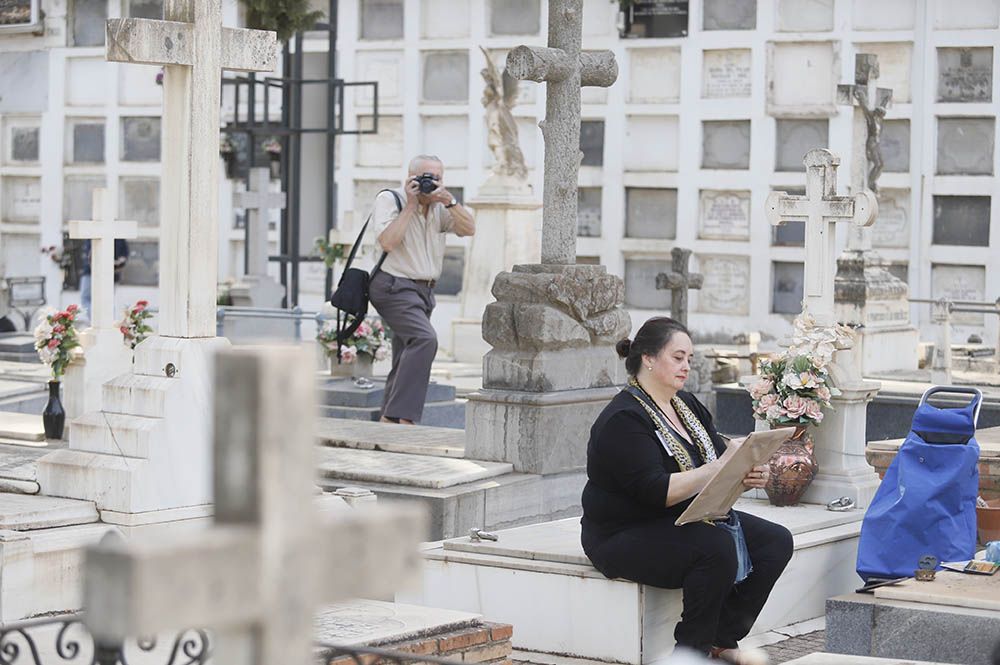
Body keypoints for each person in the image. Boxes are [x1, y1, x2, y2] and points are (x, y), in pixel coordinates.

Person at [581, 317, 793, 664]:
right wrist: (720, 466)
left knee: (775, 541)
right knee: (714, 547)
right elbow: (657, 491)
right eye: (678, 357)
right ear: (648, 358)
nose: (686, 366)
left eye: (689, 359)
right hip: (623, 533)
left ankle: (722, 638)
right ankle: (689, 653)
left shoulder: (688, 405)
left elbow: (717, 466)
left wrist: (746, 472)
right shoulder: (623, 419)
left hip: (684, 518)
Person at [368, 155, 475, 425]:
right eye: (425, 177)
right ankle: (400, 418)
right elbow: (388, 243)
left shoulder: (441, 207)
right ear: (411, 177)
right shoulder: (390, 200)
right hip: (393, 286)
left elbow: (469, 228)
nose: (431, 183)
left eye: (436, 178)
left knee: (406, 354)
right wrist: (411, 206)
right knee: (425, 340)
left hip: (424, 292)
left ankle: (387, 420)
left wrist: (449, 201)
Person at [79, 239, 130, 321]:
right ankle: (101, 321)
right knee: (101, 300)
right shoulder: (118, 237)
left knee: (104, 300)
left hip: (108, 273)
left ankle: (102, 322)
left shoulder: (118, 238)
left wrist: (117, 263)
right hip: (93, 272)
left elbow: (124, 256)